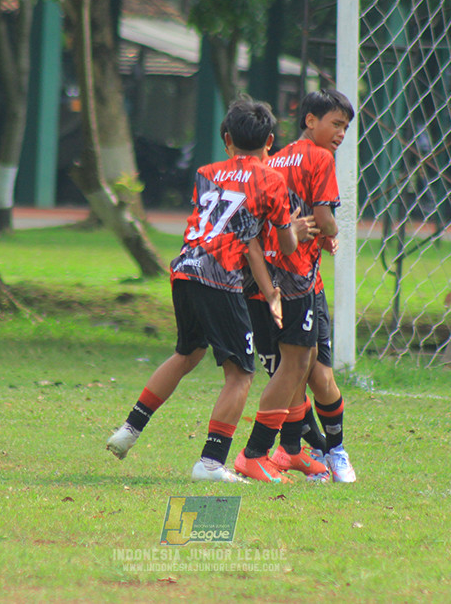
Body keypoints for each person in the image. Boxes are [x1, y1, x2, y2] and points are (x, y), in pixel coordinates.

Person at [105, 97, 312, 483]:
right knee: (241, 375)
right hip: (219, 278)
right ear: (271, 141)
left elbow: (237, 232)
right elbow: (283, 246)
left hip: (185, 268)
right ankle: (211, 462)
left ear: (226, 139)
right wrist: (296, 232)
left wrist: (268, 293)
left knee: (187, 353)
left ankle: (129, 430)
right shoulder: (272, 180)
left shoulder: (207, 173)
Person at [236, 89, 355, 483]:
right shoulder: (319, 158)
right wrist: (331, 230)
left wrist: (315, 234)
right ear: (310, 120)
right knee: (301, 372)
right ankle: (268, 452)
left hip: (277, 278)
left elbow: (272, 217)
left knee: (305, 374)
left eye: (345, 127)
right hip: (297, 279)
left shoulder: (275, 159)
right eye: (336, 124)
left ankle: (313, 450)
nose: (341, 134)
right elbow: (323, 217)